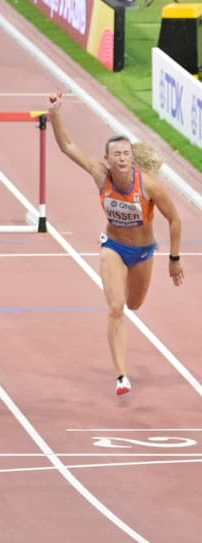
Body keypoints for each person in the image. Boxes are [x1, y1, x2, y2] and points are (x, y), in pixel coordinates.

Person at [48, 93, 185, 395]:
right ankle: (122, 376)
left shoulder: (149, 186)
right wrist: (56, 113)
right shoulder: (100, 175)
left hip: (144, 252)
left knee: (134, 304)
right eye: (116, 154)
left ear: (131, 158)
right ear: (107, 159)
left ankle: (123, 297)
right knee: (116, 307)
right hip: (113, 247)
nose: (121, 158)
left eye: (126, 153)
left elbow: (175, 220)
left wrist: (174, 259)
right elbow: (68, 147)